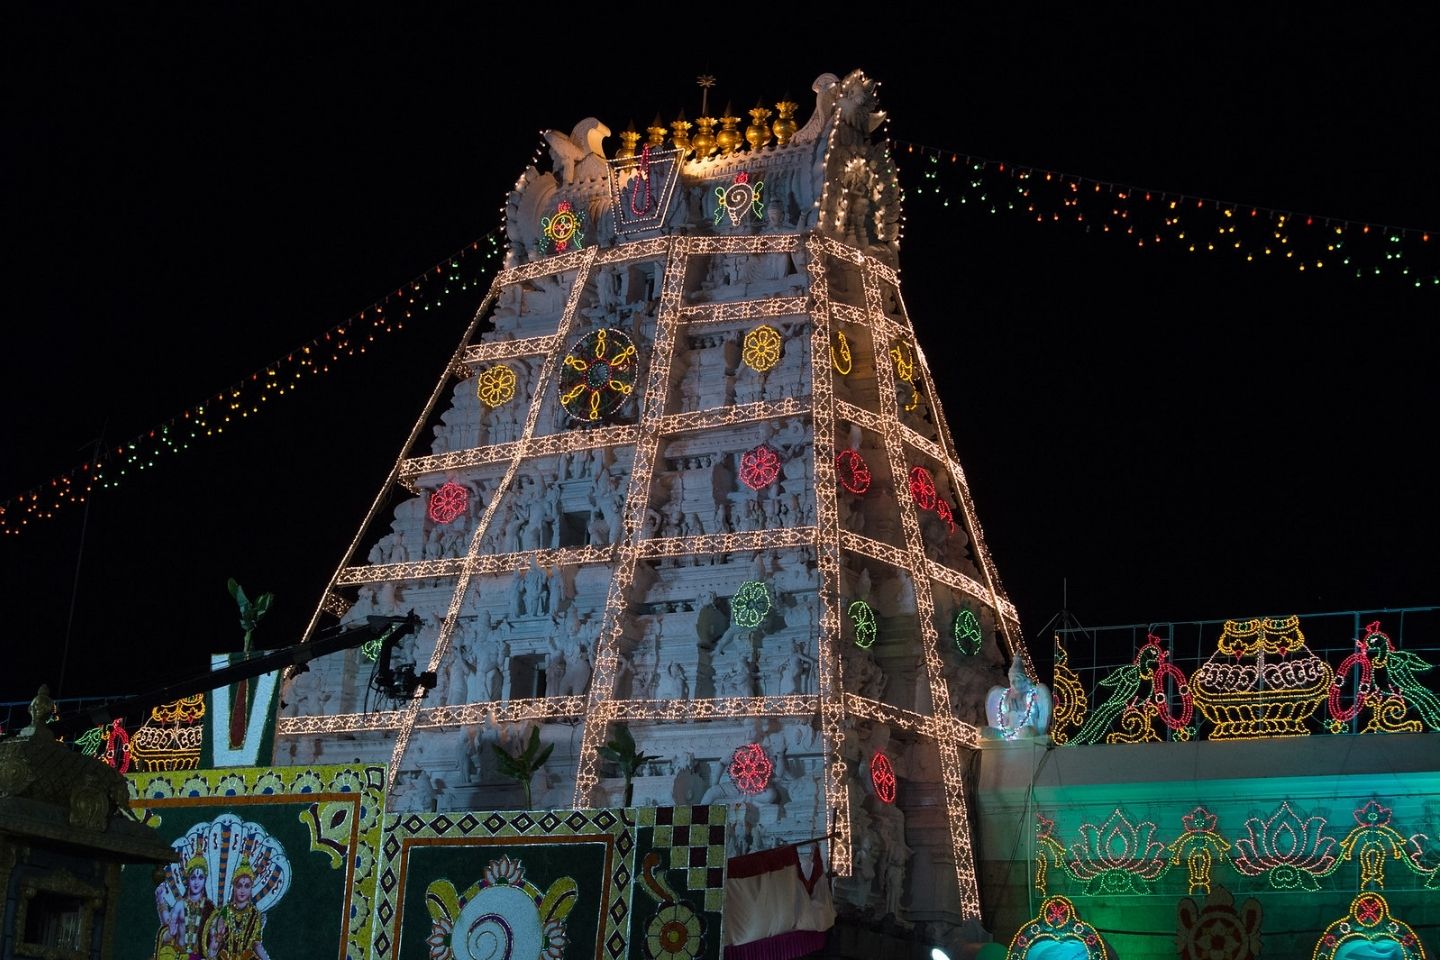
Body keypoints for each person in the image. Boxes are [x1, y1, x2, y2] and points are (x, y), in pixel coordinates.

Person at [201, 859, 269, 960]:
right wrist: (211, 956)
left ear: (251, 889)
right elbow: (216, 940)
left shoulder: (255, 914)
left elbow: (256, 944)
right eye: (239, 885)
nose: (242, 890)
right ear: (234, 887)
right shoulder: (225, 911)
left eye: (246, 886)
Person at [153, 850, 214, 960]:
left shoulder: (209, 908)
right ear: (188, 879)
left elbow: (214, 939)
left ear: (205, 880)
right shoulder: (180, 905)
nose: (196, 882)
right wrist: (160, 900)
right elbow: (167, 927)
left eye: (200, 877)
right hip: (180, 955)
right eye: (193, 877)